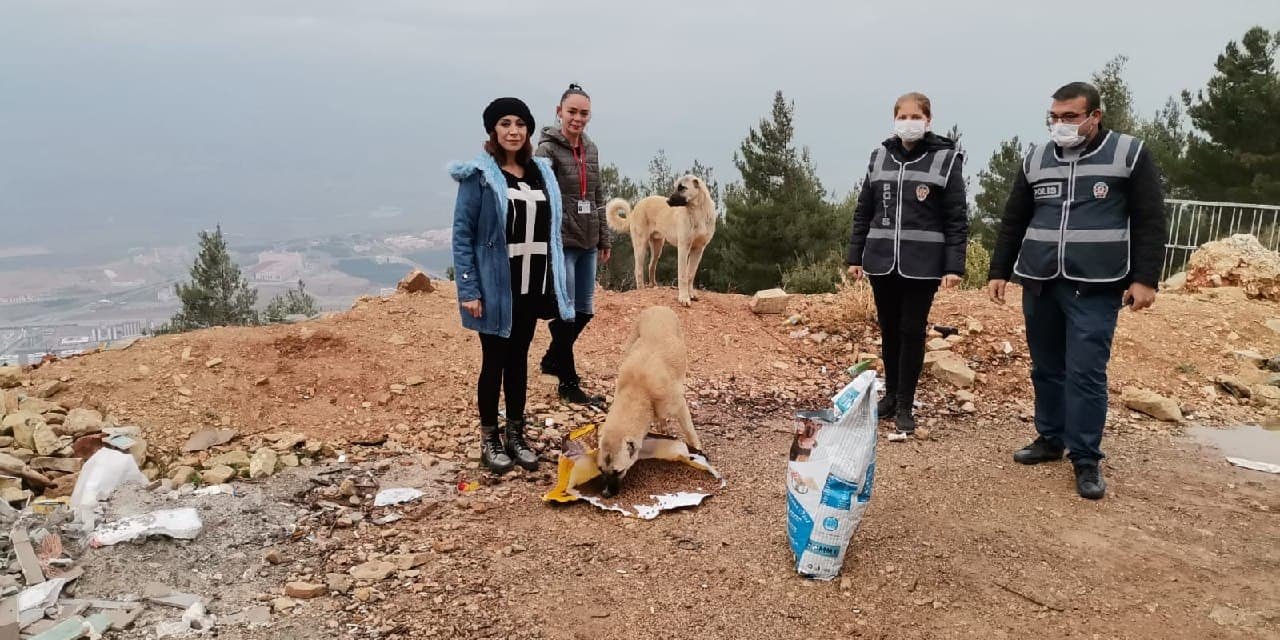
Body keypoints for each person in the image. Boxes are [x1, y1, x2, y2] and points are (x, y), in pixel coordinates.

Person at [987, 81, 1166, 500]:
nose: (1061, 125)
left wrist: (1145, 279)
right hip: (1041, 279)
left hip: (1098, 284)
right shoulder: (1036, 158)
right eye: (1055, 117)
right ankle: (1050, 437)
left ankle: (1085, 458)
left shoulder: (1128, 154)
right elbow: (1015, 218)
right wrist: (999, 270)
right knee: (1046, 367)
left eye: (1070, 117)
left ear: (1095, 117)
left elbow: (1149, 219)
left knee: (1085, 371)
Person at [449, 97, 576, 475]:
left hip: (532, 284)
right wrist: (469, 290)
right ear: (493, 130)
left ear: (528, 130)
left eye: (520, 123)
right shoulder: (479, 177)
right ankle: (489, 439)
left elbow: (552, 230)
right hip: (495, 287)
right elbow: (462, 235)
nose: (513, 130)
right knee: (494, 362)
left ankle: (516, 434)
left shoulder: (541, 174)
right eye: (505, 123)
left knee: (519, 360)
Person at [846, 92, 968, 438]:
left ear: (928, 120)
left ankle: (905, 405)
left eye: (916, 116)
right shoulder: (880, 156)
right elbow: (863, 209)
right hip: (882, 261)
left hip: (923, 264)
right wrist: (855, 256)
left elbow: (956, 216)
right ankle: (891, 396)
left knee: (911, 331)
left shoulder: (945, 159)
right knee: (888, 329)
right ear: (894, 118)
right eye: (903, 116)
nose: (909, 122)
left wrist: (953, 265)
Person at [535, 84, 611, 405]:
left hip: (588, 240)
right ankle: (568, 384)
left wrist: (604, 237)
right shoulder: (547, 150)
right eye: (572, 112)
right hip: (561, 241)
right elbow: (540, 196)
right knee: (565, 314)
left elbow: (597, 196)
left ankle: (553, 358)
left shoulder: (591, 149)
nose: (577, 118)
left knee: (584, 311)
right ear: (559, 112)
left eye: (583, 113)